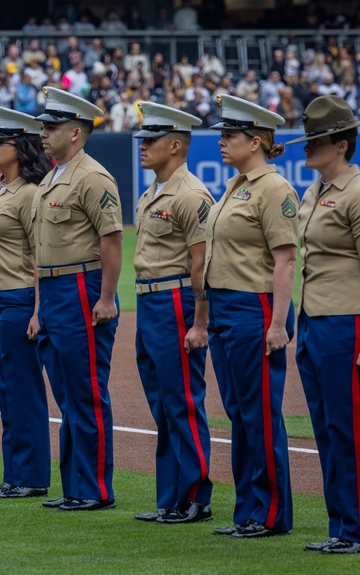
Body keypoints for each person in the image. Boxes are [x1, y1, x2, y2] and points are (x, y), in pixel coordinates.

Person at [288, 96, 360, 555]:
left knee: (346, 427)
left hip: (345, 323)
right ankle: (341, 526)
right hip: (313, 321)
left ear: (342, 145)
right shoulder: (314, 193)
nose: (308, 147)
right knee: (326, 427)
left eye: (318, 140)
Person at [205, 94, 296, 539]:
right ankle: (248, 510)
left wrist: (278, 323)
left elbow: (285, 260)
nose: (221, 141)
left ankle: (271, 513)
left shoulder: (274, 189)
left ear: (255, 141)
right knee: (240, 413)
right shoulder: (237, 185)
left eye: (230, 135)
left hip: (254, 308)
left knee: (259, 414)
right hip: (225, 307)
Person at [34, 87, 122, 511]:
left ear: (75, 132)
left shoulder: (92, 177)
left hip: (80, 288)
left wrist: (107, 297)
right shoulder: (53, 177)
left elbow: (111, 240)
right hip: (54, 289)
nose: (43, 133)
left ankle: (95, 489)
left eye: (52, 127)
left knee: (86, 390)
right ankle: (74, 485)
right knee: (67, 392)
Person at [131, 102, 215, 524]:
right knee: (163, 405)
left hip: (176, 302)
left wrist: (200, 322)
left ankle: (196, 497)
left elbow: (202, 263)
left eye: (151, 139)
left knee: (182, 401)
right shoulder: (153, 192)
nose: (142, 146)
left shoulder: (191, 194)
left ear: (176, 145)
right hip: (150, 302)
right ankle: (171, 498)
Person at [0, 106, 52, 498]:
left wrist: (38, 309)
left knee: (23, 390)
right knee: (7, 389)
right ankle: (14, 474)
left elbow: (39, 255)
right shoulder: (0, 188)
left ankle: (31, 476)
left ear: (20, 148)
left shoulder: (29, 194)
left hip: (19, 298)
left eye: (0, 141)